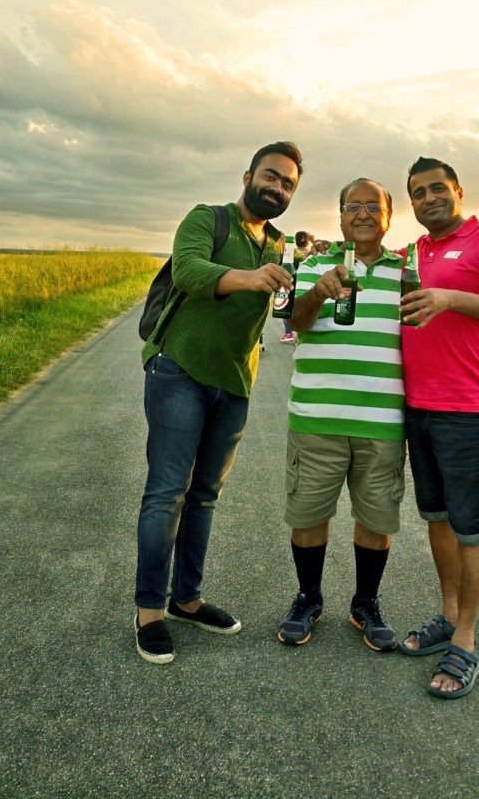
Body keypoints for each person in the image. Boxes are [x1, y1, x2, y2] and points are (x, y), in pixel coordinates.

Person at [134, 141, 304, 664]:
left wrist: (311, 269)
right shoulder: (208, 219)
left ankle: (186, 598)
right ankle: (148, 613)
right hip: (179, 368)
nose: (276, 188)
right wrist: (248, 279)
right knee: (168, 493)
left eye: (287, 185)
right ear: (249, 174)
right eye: (271, 176)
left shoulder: (281, 245)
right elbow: (187, 271)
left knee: (205, 496)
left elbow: (288, 310)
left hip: (235, 383)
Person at [398, 157, 479, 698]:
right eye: (418, 193)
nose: (429, 198)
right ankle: (448, 615)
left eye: (437, 189)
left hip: (470, 406)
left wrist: (450, 299)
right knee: (439, 518)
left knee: (473, 528)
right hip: (419, 406)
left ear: (458, 191)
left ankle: (467, 641)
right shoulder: (412, 253)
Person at [277, 178, 405, 651]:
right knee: (308, 514)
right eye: (354, 206)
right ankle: (308, 598)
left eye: (374, 206)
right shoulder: (312, 265)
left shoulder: (406, 272)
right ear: (340, 216)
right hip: (316, 420)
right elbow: (294, 323)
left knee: (376, 519)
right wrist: (318, 294)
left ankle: (365, 603)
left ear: (389, 216)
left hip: (382, 423)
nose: (364, 213)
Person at [280, 230, 313, 343]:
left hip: (292, 284)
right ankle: (298, 334)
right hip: (305, 286)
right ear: (307, 241)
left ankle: (288, 333)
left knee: (287, 308)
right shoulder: (312, 254)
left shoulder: (291, 253)